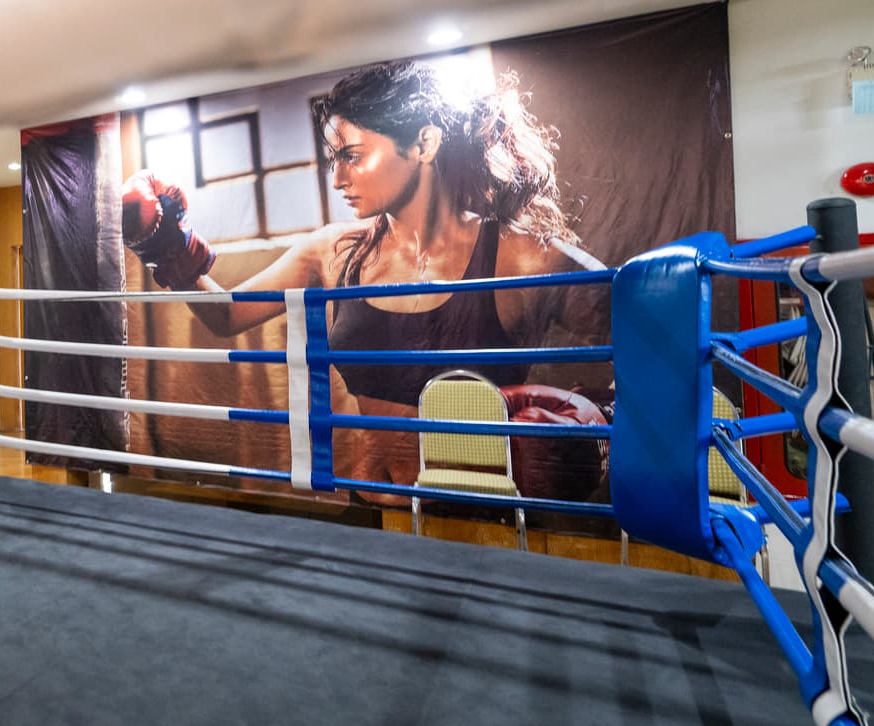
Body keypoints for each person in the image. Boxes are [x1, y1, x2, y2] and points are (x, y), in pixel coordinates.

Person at [122, 60, 610, 502]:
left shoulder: (519, 257)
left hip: (482, 524)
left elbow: (646, 327)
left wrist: (599, 425)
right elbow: (227, 315)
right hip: (371, 511)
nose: (338, 179)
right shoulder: (335, 254)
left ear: (424, 144)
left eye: (352, 156)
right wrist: (171, 249)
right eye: (334, 160)